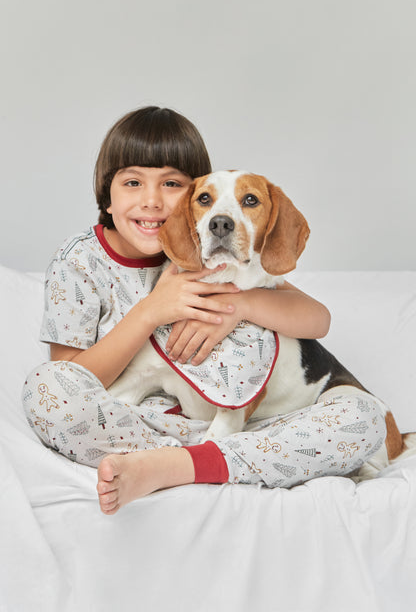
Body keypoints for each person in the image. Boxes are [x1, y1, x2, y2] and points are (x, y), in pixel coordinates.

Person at [22, 106, 386, 515]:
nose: (152, 200)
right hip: (163, 426)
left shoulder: (233, 274)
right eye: (132, 182)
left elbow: (318, 319)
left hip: (269, 424)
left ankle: (183, 466)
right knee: (47, 389)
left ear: (188, 197)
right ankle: (207, 460)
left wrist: (240, 305)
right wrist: (150, 311)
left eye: (173, 183)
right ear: (106, 197)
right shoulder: (82, 262)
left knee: (365, 416)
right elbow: (76, 378)